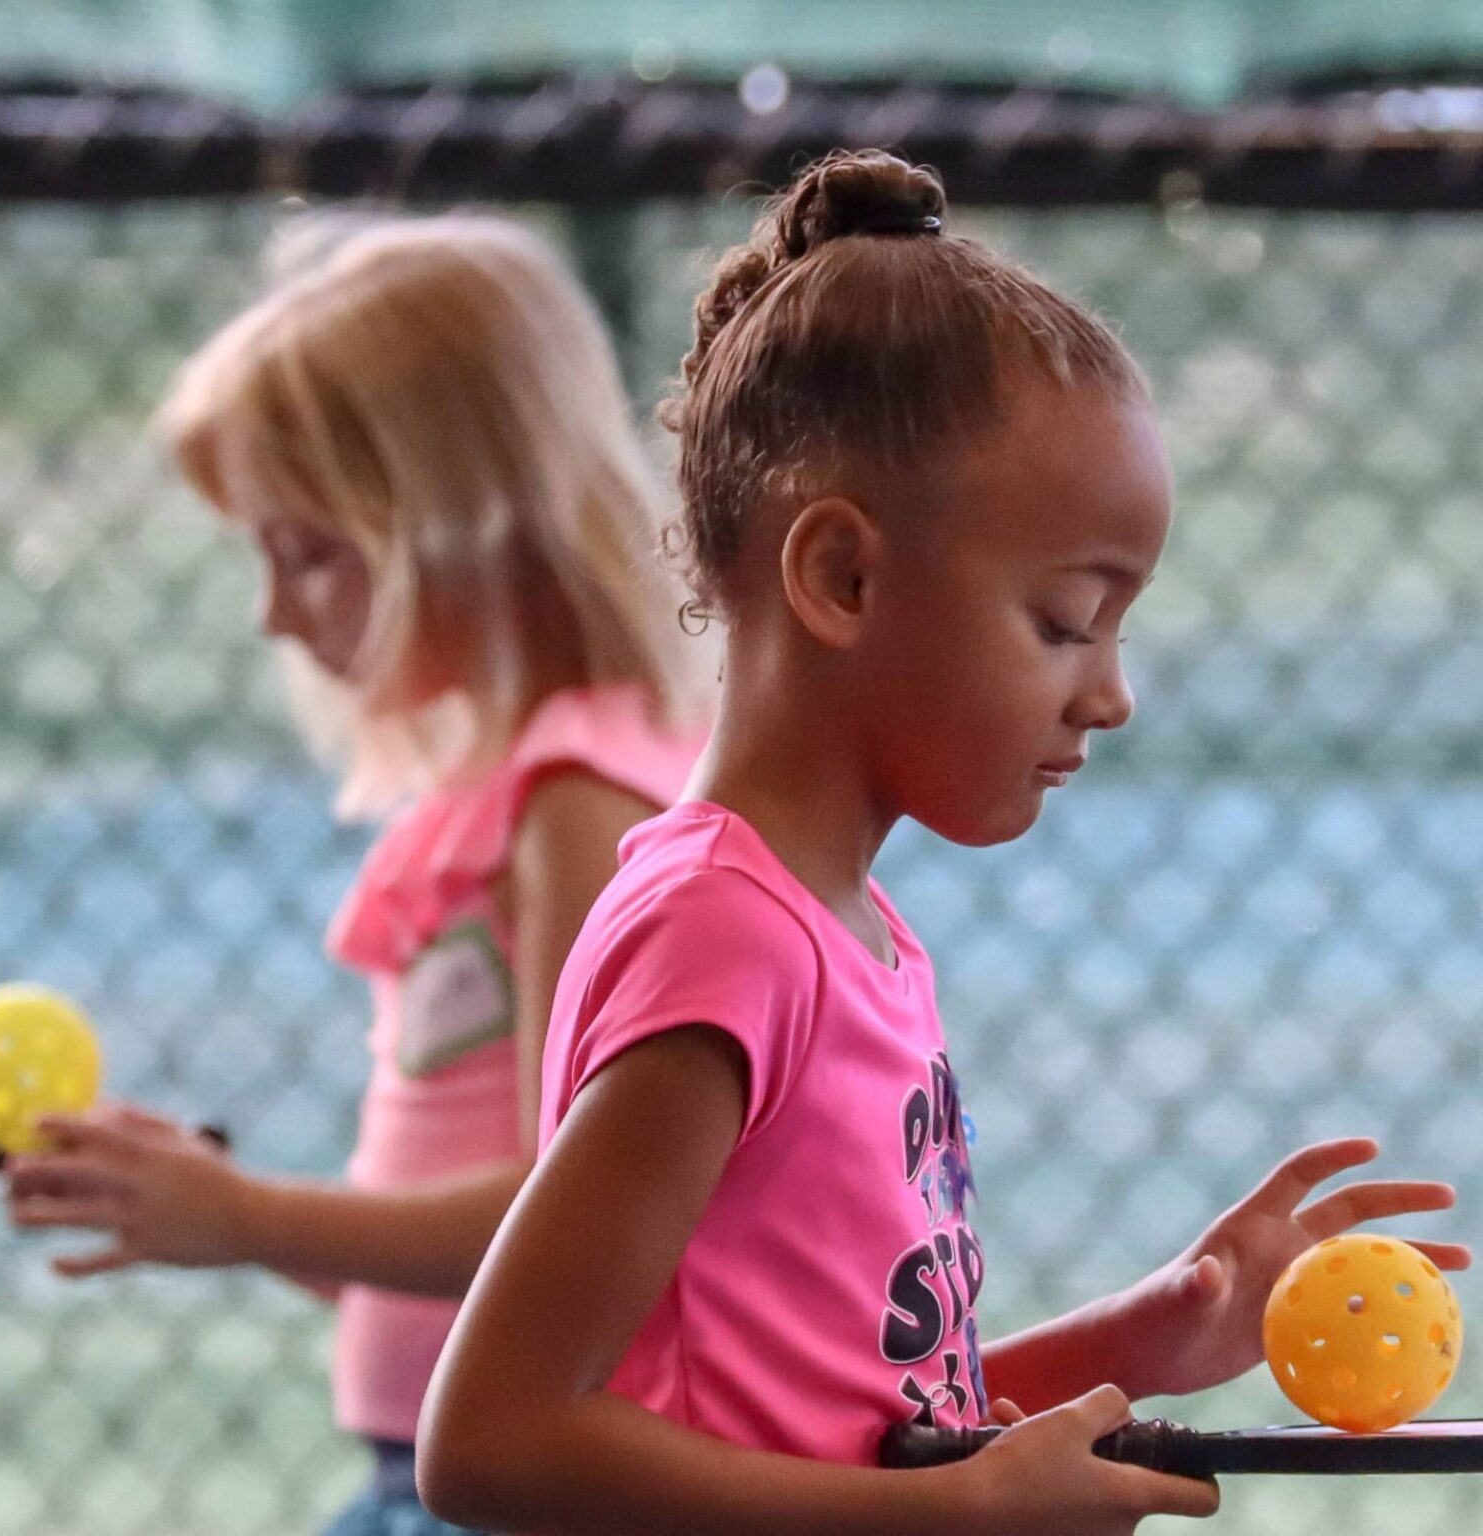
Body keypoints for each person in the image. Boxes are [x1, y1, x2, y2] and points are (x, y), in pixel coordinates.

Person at [414, 151, 1470, 1536]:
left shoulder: (848, 937)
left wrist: (1144, 1338)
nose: (1112, 692)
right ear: (843, 577)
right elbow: (493, 1439)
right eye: (1064, 622)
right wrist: (961, 1519)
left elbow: (870, 1431)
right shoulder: (722, 937)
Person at [3, 214, 707, 1536]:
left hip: (522, 1496)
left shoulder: (578, 807)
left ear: (468, 522)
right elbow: (478, 1256)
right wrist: (221, 1213)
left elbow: (578, 1223)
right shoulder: (515, 797)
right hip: (438, 1474)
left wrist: (256, 1212)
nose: (276, 612)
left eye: (311, 553)